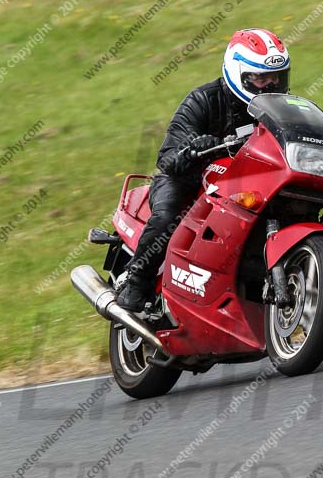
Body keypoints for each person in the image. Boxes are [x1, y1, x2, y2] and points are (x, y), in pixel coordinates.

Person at [117, 28, 291, 312]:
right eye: (260, 79)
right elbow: (167, 159)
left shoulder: (283, 108)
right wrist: (193, 150)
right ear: (240, 74)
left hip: (248, 185)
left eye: (276, 78)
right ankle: (137, 280)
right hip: (191, 180)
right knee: (169, 214)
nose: (269, 86)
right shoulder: (203, 100)